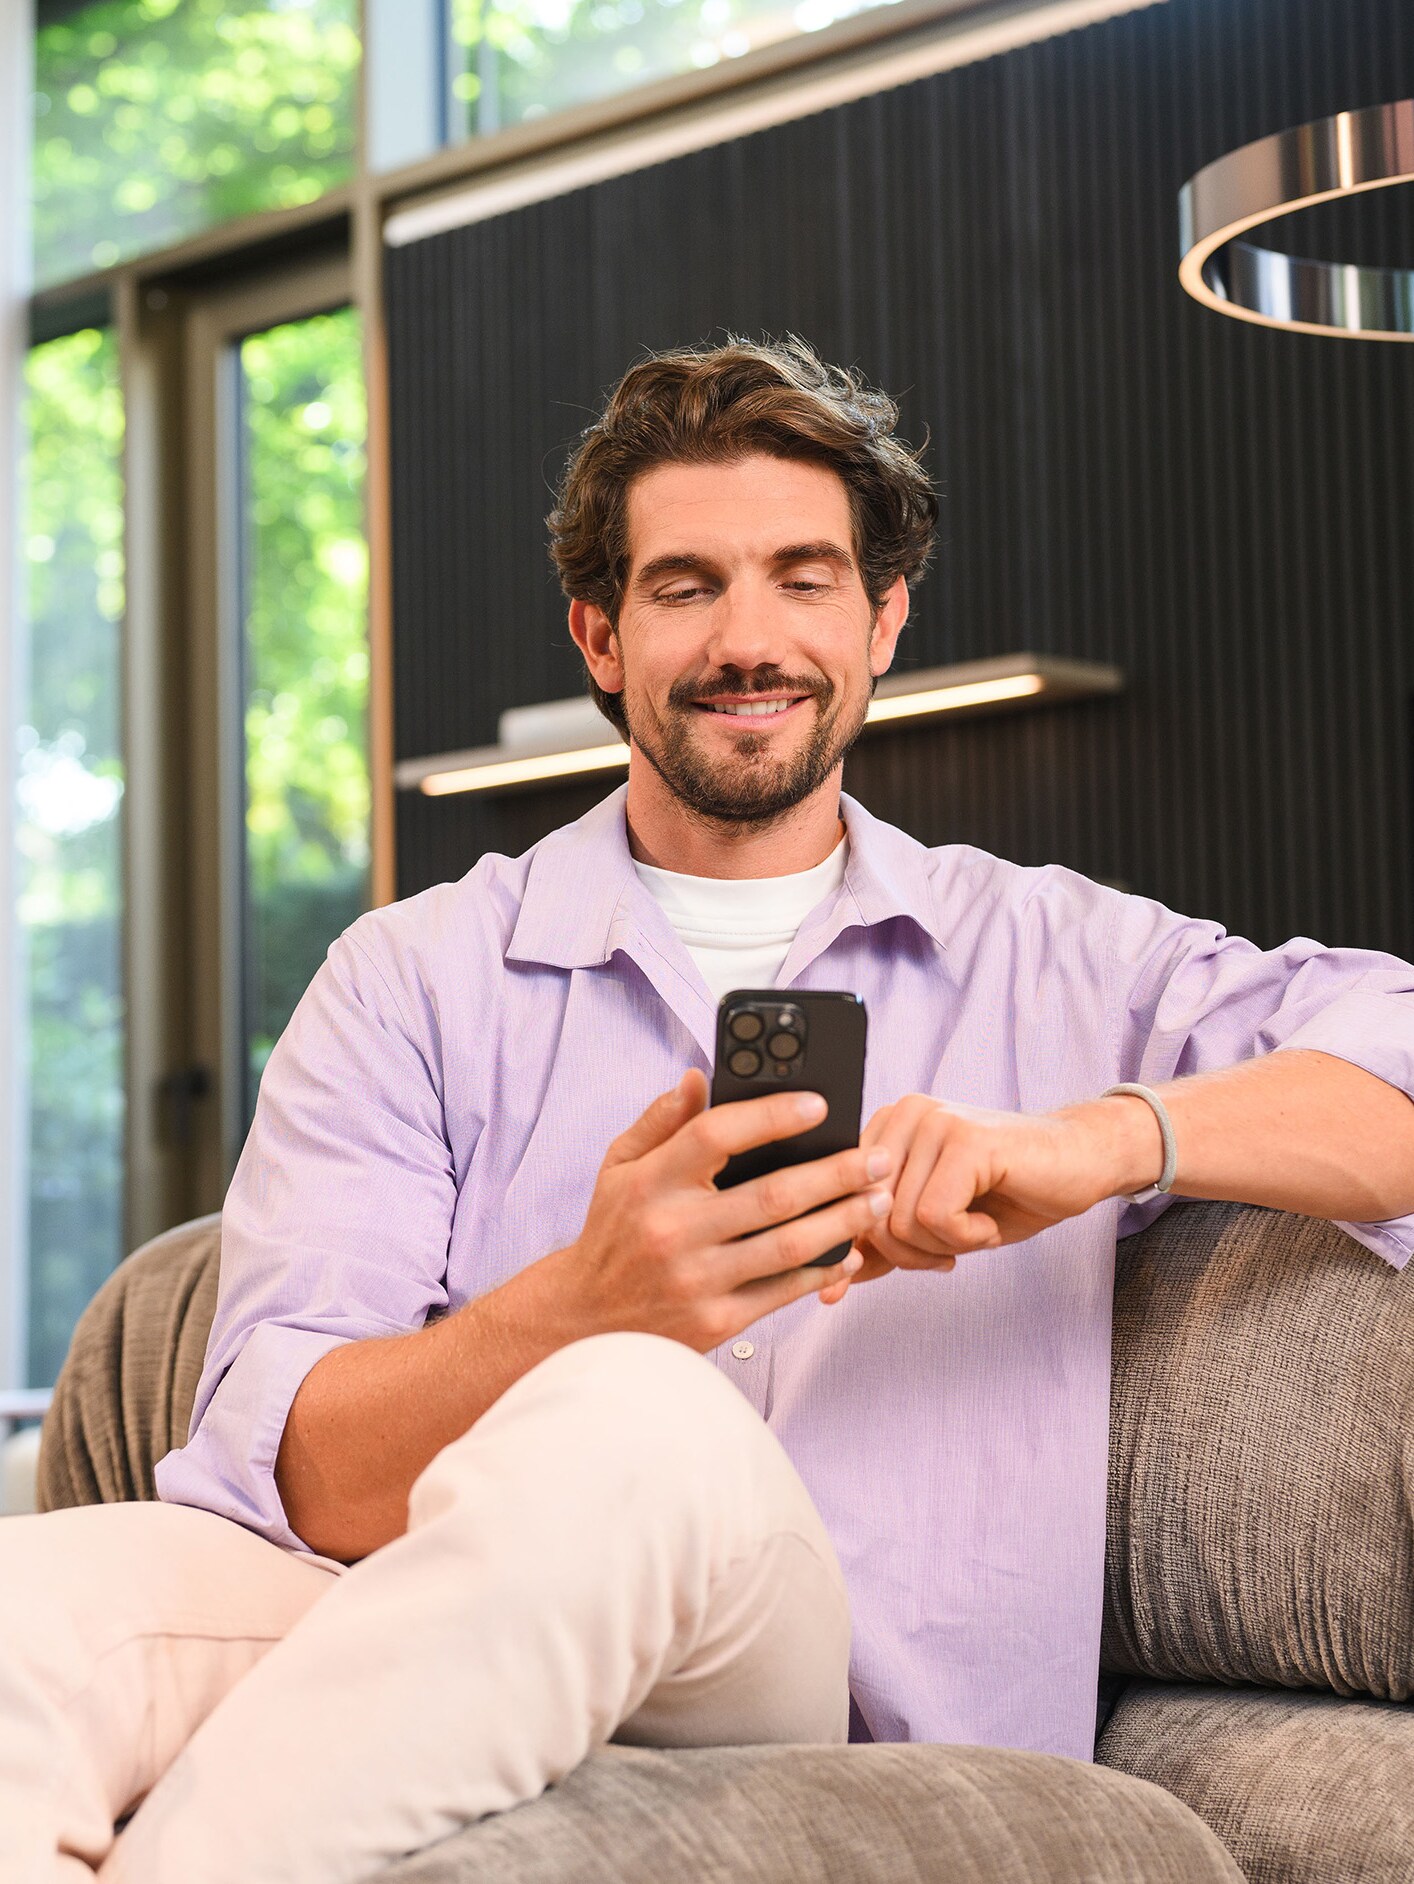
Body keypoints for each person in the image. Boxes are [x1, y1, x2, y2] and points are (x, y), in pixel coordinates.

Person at [4, 336, 1414, 1883]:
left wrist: (1095, 1139)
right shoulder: (413, 977)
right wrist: (583, 1301)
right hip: (432, 1615)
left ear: (879, 622)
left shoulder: (1058, 957)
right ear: (599, 635)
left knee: (632, 1417)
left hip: (824, 1697)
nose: (749, 637)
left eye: (803, 579)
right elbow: (305, 1483)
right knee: (33, 1622)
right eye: (685, 587)